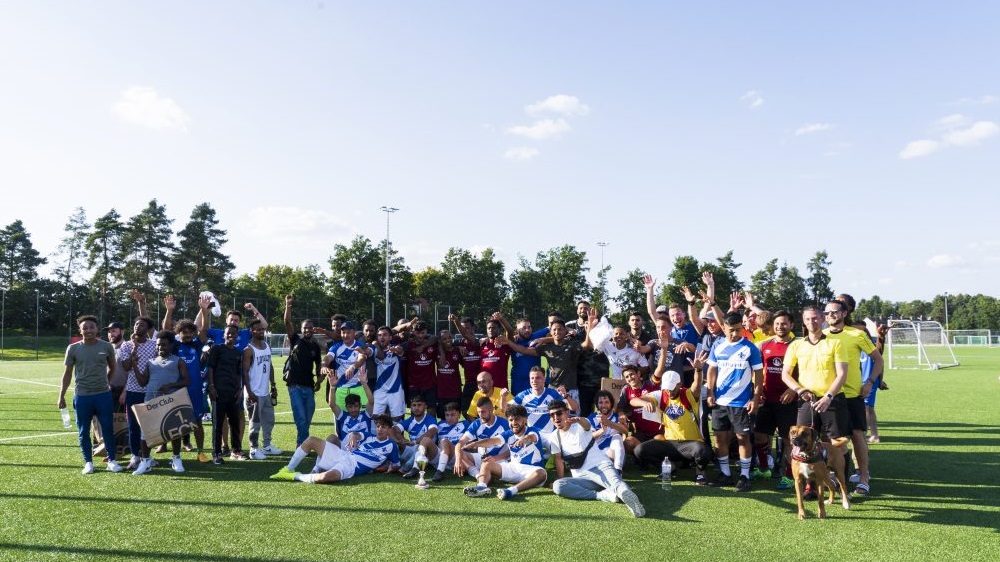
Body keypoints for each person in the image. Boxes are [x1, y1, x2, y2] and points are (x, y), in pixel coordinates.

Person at [781, 305, 849, 498]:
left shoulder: (835, 343)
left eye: (816, 318)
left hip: (832, 400)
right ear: (803, 321)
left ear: (823, 319)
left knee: (837, 444)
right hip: (807, 400)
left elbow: (842, 374)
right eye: (808, 319)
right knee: (804, 443)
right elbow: (786, 374)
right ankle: (810, 487)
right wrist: (799, 390)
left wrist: (829, 396)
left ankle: (842, 487)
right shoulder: (796, 345)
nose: (812, 322)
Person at [824, 296, 883, 496]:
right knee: (833, 438)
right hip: (830, 396)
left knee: (858, 435)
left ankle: (863, 477)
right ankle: (833, 476)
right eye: (827, 313)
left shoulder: (856, 334)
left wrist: (869, 383)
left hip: (852, 394)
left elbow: (878, 360)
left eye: (834, 312)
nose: (830, 316)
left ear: (844, 314)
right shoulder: (821, 335)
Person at [548, 400, 645, 518]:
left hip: (600, 467)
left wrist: (579, 419)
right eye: (552, 415)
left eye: (559, 413)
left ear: (567, 412)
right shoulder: (554, 436)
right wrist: (560, 478)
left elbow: (587, 425)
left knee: (617, 484)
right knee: (558, 486)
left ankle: (631, 501)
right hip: (583, 479)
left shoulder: (580, 424)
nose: (555, 417)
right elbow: (558, 460)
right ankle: (604, 495)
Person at [632, 343, 712, 484]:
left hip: (690, 443)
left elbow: (696, 386)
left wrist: (698, 371)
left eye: (672, 388)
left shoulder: (688, 394)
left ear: (679, 384)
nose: (669, 392)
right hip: (670, 443)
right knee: (640, 450)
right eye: (666, 388)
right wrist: (645, 403)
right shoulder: (661, 395)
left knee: (702, 451)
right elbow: (634, 401)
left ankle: (700, 472)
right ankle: (670, 467)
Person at [705, 312, 764, 492]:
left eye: (739, 330)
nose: (735, 334)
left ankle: (744, 476)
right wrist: (710, 392)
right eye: (731, 330)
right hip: (720, 401)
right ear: (724, 328)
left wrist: (755, 397)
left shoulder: (750, 348)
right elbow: (712, 370)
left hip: (741, 402)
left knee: (742, 438)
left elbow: (759, 376)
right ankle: (725, 474)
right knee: (720, 437)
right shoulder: (717, 345)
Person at [58, 315, 124, 474]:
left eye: (91, 327)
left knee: (108, 429)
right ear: (80, 330)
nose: (88, 330)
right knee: (83, 431)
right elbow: (67, 374)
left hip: (103, 396)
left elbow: (113, 367)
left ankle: (112, 461)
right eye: (85, 328)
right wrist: (61, 396)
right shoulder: (73, 348)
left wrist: (107, 382)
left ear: (96, 329)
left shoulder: (106, 346)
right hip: (82, 396)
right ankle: (88, 462)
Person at [269, 414, 401, 484]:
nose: (379, 429)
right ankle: (287, 469)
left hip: (351, 466)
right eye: (377, 426)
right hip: (343, 454)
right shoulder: (370, 436)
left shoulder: (391, 446)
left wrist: (384, 468)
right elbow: (357, 434)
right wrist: (354, 436)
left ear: (389, 429)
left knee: (327, 477)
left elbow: (396, 465)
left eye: (383, 427)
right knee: (311, 440)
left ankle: (295, 476)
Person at [461, 404, 548, 500]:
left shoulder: (533, 431)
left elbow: (530, 438)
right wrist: (475, 444)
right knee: (486, 463)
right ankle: (482, 487)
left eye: (517, 419)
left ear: (525, 420)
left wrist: (522, 440)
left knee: (542, 473)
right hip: (513, 468)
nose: (514, 423)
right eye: (511, 420)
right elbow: (493, 441)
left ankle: (511, 491)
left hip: (531, 470)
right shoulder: (508, 433)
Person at [134, 331, 191, 475]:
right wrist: (134, 365)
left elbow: (187, 381)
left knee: (174, 431)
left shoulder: (178, 361)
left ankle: (176, 459)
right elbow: (142, 382)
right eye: (158, 345)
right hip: (151, 400)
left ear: (171, 345)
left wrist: (171, 385)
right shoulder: (150, 362)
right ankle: (145, 461)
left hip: (170, 401)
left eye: (164, 345)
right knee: (145, 432)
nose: (160, 348)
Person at [162, 294, 212, 462]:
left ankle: (200, 451)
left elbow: (204, 329)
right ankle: (176, 455)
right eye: (185, 331)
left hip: (195, 389)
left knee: (197, 421)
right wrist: (169, 311)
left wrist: (204, 311)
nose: (189, 334)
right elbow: (167, 328)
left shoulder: (197, 346)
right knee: (176, 422)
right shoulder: (175, 346)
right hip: (178, 389)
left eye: (191, 331)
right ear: (179, 333)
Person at [753, 310, 798, 490]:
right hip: (767, 398)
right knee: (760, 435)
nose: (780, 327)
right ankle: (764, 468)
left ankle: (789, 475)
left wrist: (792, 389)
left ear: (791, 325)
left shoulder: (798, 345)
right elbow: (756, 370)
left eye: (784, 323)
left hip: (788, 400)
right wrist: (758, 391)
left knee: (788, 439)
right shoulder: (764, 345)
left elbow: (806, 371)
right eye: (778, 324)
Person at [644, 273, 705, 388]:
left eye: (678, 314)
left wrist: (691, 303)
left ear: (684, 314)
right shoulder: (667, 329)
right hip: (675, 375)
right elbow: (652, 312)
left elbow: (694, 317)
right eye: (672, 316)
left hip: (693, 371)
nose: (676, 318)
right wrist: (649, 289)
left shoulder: (693, 327)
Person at [207, 325, 255, 464]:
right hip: (218, 392)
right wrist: (211, 386)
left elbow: (239, 372)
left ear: (237, 336)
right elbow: (210, 368)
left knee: (234, 423)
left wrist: (240, 389)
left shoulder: (237, 353)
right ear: (224, 335)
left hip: (233, 393)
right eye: (228, 333)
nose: (231, 336)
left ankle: (236, 450)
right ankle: (216, 454)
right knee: (218, 424)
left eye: (234, 334)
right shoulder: (217, 349)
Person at [282, 294, 324, 447]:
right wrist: (288, 305)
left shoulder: (315, 347)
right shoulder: (296, 340)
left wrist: (320, 380)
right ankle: (302, 446)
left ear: (313, 329)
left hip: (309, 387)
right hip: (295, 387)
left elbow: (319, 367)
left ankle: (302, 444)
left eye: (309, 328)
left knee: (306, 419)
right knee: (300, 418)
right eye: (305, 328)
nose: (307, 330)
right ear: (301, 329)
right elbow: (287, 321)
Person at [118, 316, 157, 470]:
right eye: (136, 324)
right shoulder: (126, 346)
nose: (137, 326)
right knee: (133, 425)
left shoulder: (154, 345)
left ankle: (147, 456)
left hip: (150, 390)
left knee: (149, 426)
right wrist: (134, 349)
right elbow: (126, 367)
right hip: (133, 390)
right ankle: (135, 456)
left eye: (141, 324)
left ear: (147, 329)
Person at [243, 319, 280, 460]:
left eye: (262, 329)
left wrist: (273, 385)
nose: (261, 331)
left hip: (265, 392)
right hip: (254, 393)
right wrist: (249, 391)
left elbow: (269, 366)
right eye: (257, 329)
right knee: (255, 423)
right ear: (251, 331)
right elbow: (245, 372)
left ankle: (267, 446)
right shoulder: (248, 350)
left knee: (269, 421)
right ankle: (253, 449)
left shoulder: (266, 346)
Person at [451, 396, 511, 482]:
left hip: (500, 460)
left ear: (491, 409)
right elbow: (460, 443)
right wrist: (458, 460)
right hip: (482, 459)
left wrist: (495, 458)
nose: (480, 415)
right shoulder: (477, 423)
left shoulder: (505, 424)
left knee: (497, 471)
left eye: (483, 412)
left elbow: (510, 450)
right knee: (461, 453)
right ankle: (478, 475)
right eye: (478, 412)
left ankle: (486, 474)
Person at [567, 301, 610, 415]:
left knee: (604, 412)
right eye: (581, 308)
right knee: (585, 413)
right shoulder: (575, 335)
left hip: (600, 381)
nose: (583, 310)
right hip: (583, 382)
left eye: (586, 308)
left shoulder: (603, 334)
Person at [508, 366, 577, 434]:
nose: (534, 381)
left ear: (544, 379)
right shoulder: (523, 395)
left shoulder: (553, 394)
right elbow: (506, 409)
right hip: (533, 435)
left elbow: (574, 408)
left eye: (538, 378)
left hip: (551, 435)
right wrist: (503, 398)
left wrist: (566, 396)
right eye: (532, 378)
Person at [322, 320, 373, 413]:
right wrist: (323, 365)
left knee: (362, 420)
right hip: (341, 389)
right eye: (343, 332)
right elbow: (328, 357)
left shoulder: (360, 346)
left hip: (359, 388)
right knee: (341, 421)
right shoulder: (336, 347)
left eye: (348, 332)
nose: (345, 335)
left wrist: (353, 366)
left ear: (354, 333)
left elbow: (361, 359)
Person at [618, 364, 662, 459]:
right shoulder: (626, 390)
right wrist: (622, 415)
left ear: (638, 374)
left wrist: (664, 351)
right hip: (640, 432)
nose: (630, 378)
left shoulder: (650, 384)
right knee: (628, 443)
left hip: (657, 431)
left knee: (660, 442)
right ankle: (646, 457)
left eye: (632, 374)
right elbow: (620, 407)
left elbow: (659, 371)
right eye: (627, 377)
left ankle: (646, 459)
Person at [400, 320, 439, 416]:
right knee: (415, 412)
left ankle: (432, 430)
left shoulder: (432, 344)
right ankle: (415, 430)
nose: (420, 336)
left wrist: (423, 346)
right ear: (413, 332)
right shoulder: (407, 345)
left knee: (431, 410)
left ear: (426, 331)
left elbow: (437, 337)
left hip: (429, 384)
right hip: (414, 385)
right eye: (418, 333)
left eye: (423, 333)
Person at [394, 395, 439, 477]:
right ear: (410, 407)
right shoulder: (410, 420)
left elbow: (432, 432)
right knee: (389, 434)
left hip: (427, 452)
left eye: (419, 405)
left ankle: (407, 467)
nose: (416, 408)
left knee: (420, 446)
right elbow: (395, 429)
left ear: (425, 406)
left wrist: (414, 442)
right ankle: (390, 463)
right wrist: (402, 440)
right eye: (414, 405)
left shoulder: (430, 419)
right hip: (412, 448)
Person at [329, 374, 375, 450]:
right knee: (331, 438)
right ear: (346, 407)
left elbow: (371, 402)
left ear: (360, 406)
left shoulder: (365, 415)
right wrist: (332, 387)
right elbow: (332, 405)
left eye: (356, 406)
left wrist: (364, 383)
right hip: (345, 450)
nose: (353, 409)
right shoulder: (343, 416)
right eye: (350, 407)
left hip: (363, 449)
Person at [370, 326, 406, 420]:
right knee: (375, 419)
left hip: (396, 389)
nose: (382, 337)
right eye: (379, 335)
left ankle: (396, 435)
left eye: (385, 335)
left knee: (397, 420)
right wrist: (376, 345)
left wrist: (396, 350)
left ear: (390, 337)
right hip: (379, 390)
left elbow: (400, 350)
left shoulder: (395, 348)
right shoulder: (375, 349)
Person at [588, 390, 628, 473]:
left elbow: (625, 431)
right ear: (597, 404)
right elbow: (589, 438)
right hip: (597, 454)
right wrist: (602, 430)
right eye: (600, 402)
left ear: (611, 403)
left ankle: (618, 471)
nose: (603, 405)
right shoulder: (592, 418)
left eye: (606, 402)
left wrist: (608, 422)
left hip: (614, 454)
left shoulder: (617, 417)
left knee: (617, 437)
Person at [429, 402, 467, 482]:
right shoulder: (439, 425)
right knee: (427, 440)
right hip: (440, 456)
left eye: (453, 415)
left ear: (459, 415)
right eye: (447, 415)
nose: (449, 418)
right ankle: (413, 466)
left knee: (445, 441)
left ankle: (439, 472)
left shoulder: (465, 424)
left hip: (457, 457)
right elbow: (433, 442)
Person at [436, 329, 463, 415]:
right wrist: (442, 352)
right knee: (443, 418)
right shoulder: (436, 351)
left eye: (449, 337)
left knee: (455, 417)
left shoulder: (457, 351)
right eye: (444, 338)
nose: (448, 340)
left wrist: (459, 347)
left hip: (455, 392)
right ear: (440, 341)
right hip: (441, 392)